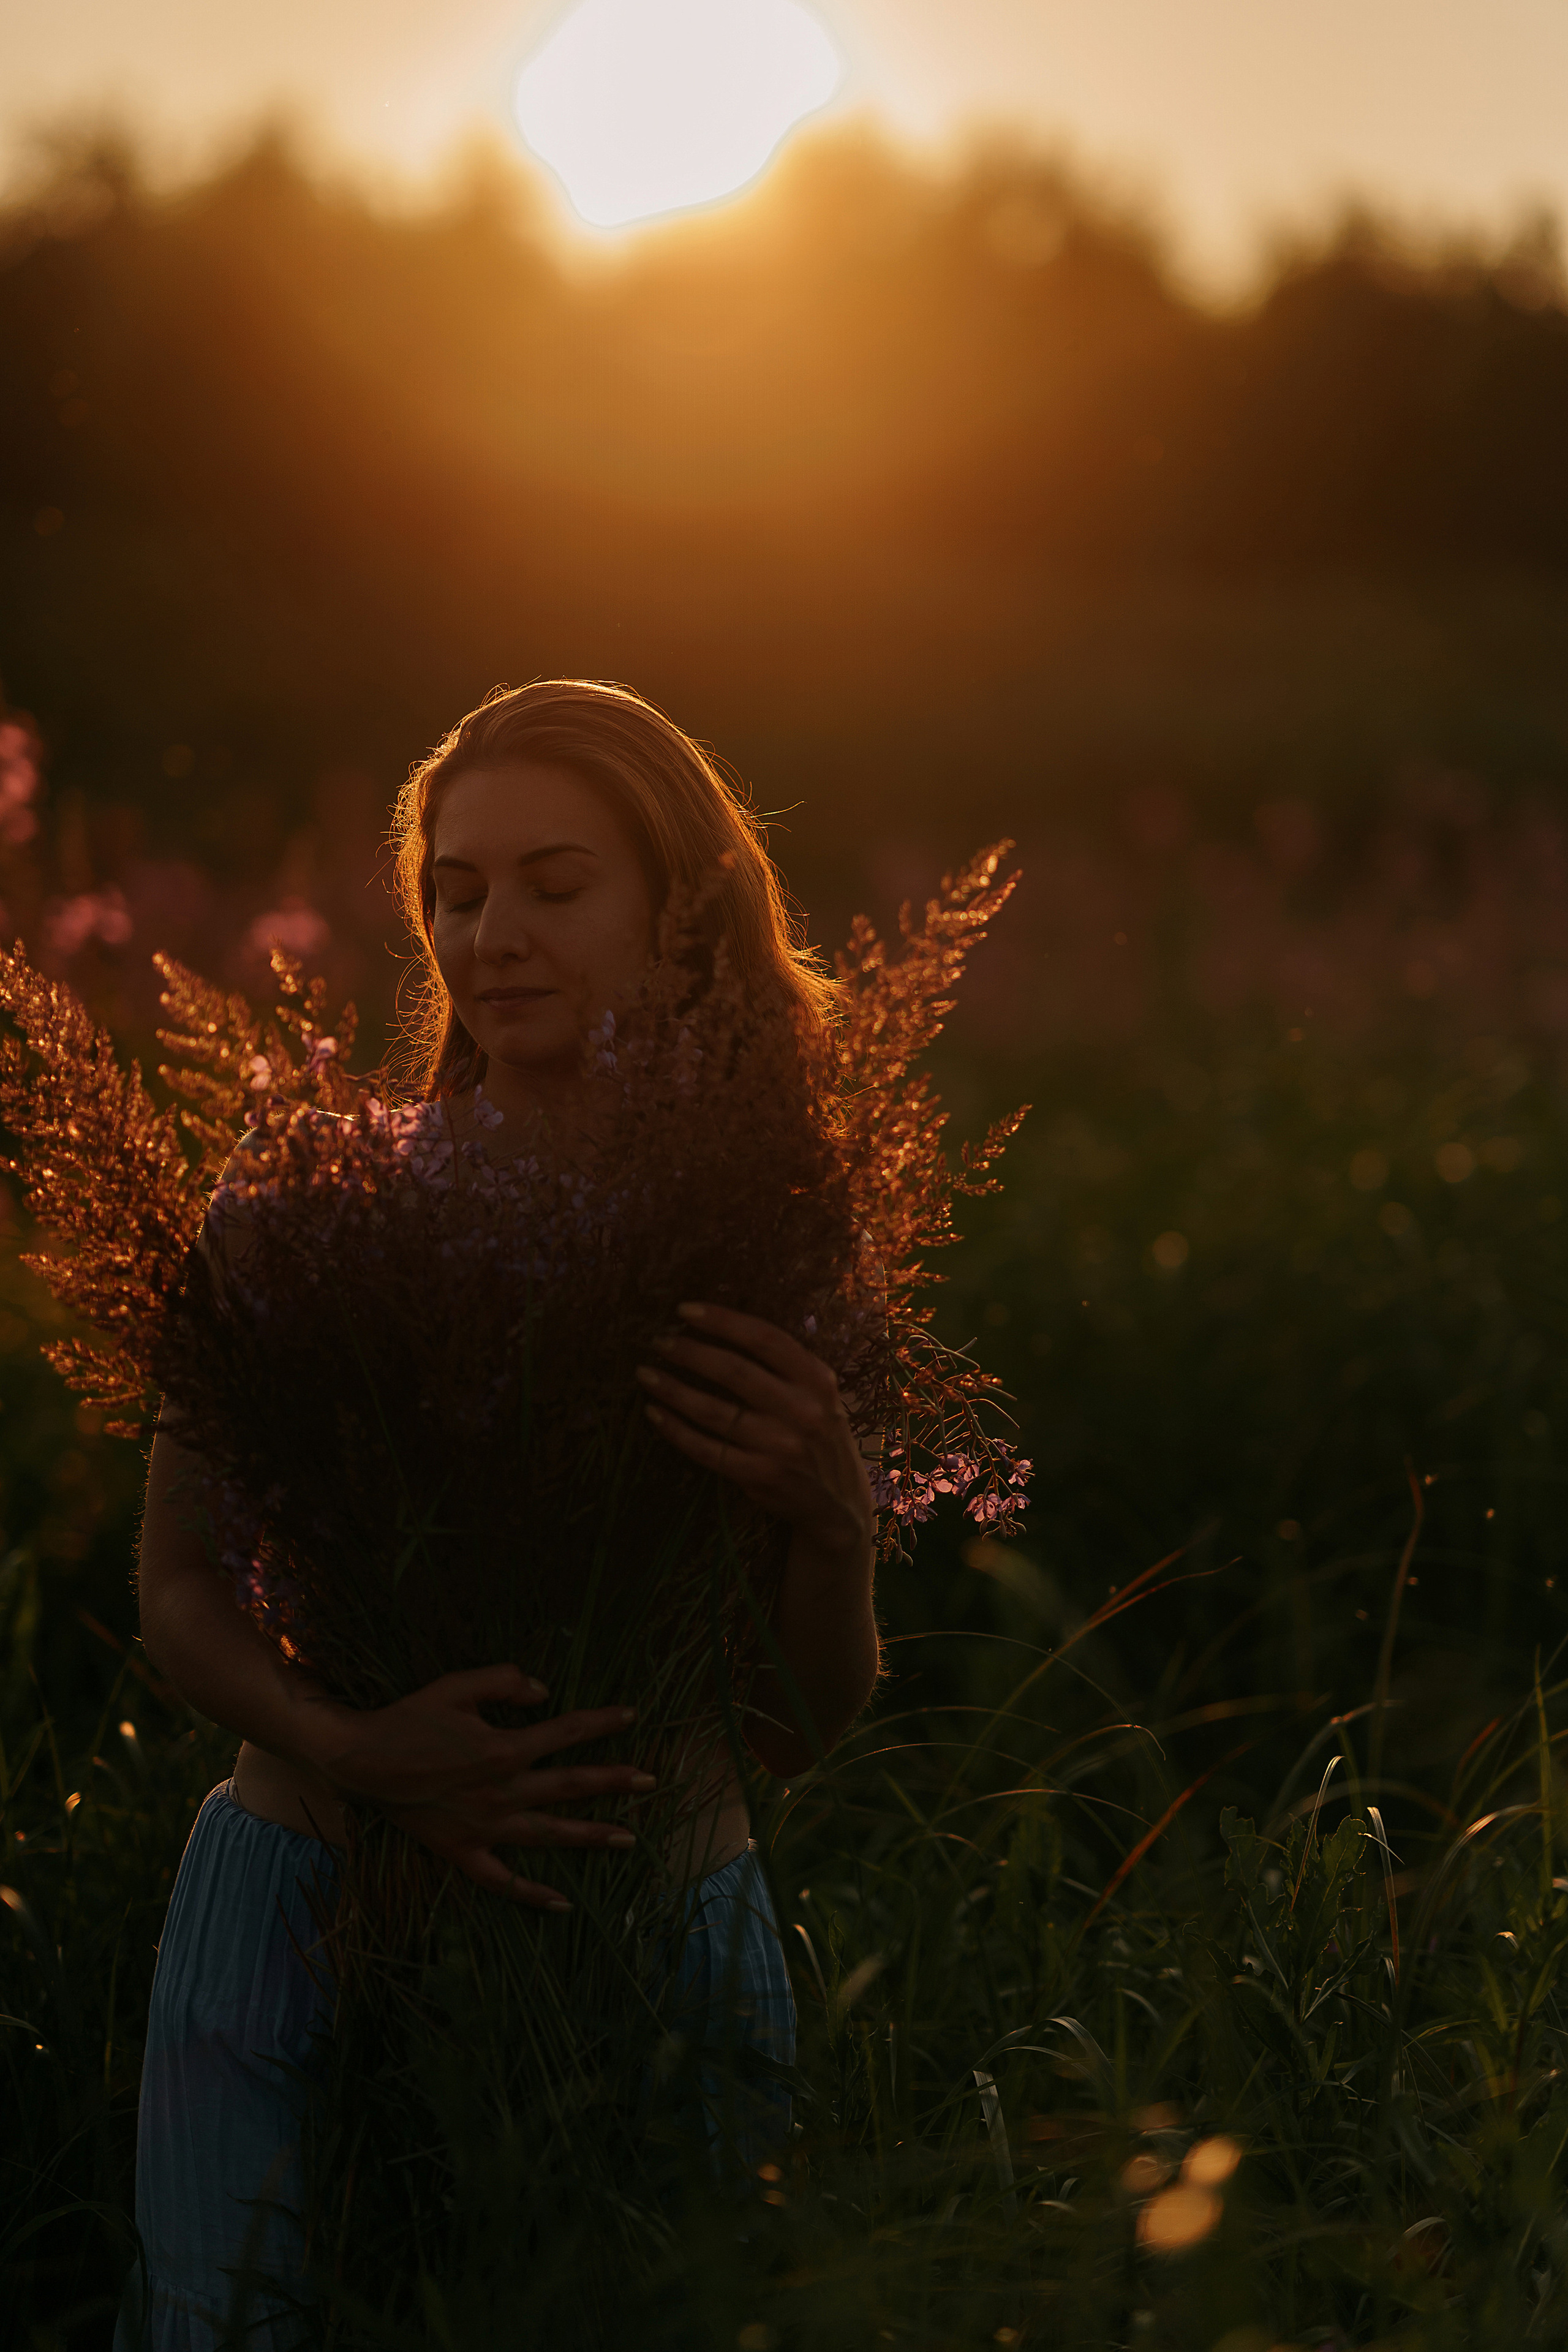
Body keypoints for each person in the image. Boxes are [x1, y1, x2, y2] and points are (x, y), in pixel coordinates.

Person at [116, 679, 882, 2350]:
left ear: (681, 909)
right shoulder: (306, 1201)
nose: (493, 934)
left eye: (555, 884)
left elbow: (795, 1724)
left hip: (662, 1926)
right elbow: (174, 1587)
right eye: (456, 893)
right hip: (297, 1922)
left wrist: (836, 1530)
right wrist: (353, 1745)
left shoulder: (767, 1244)